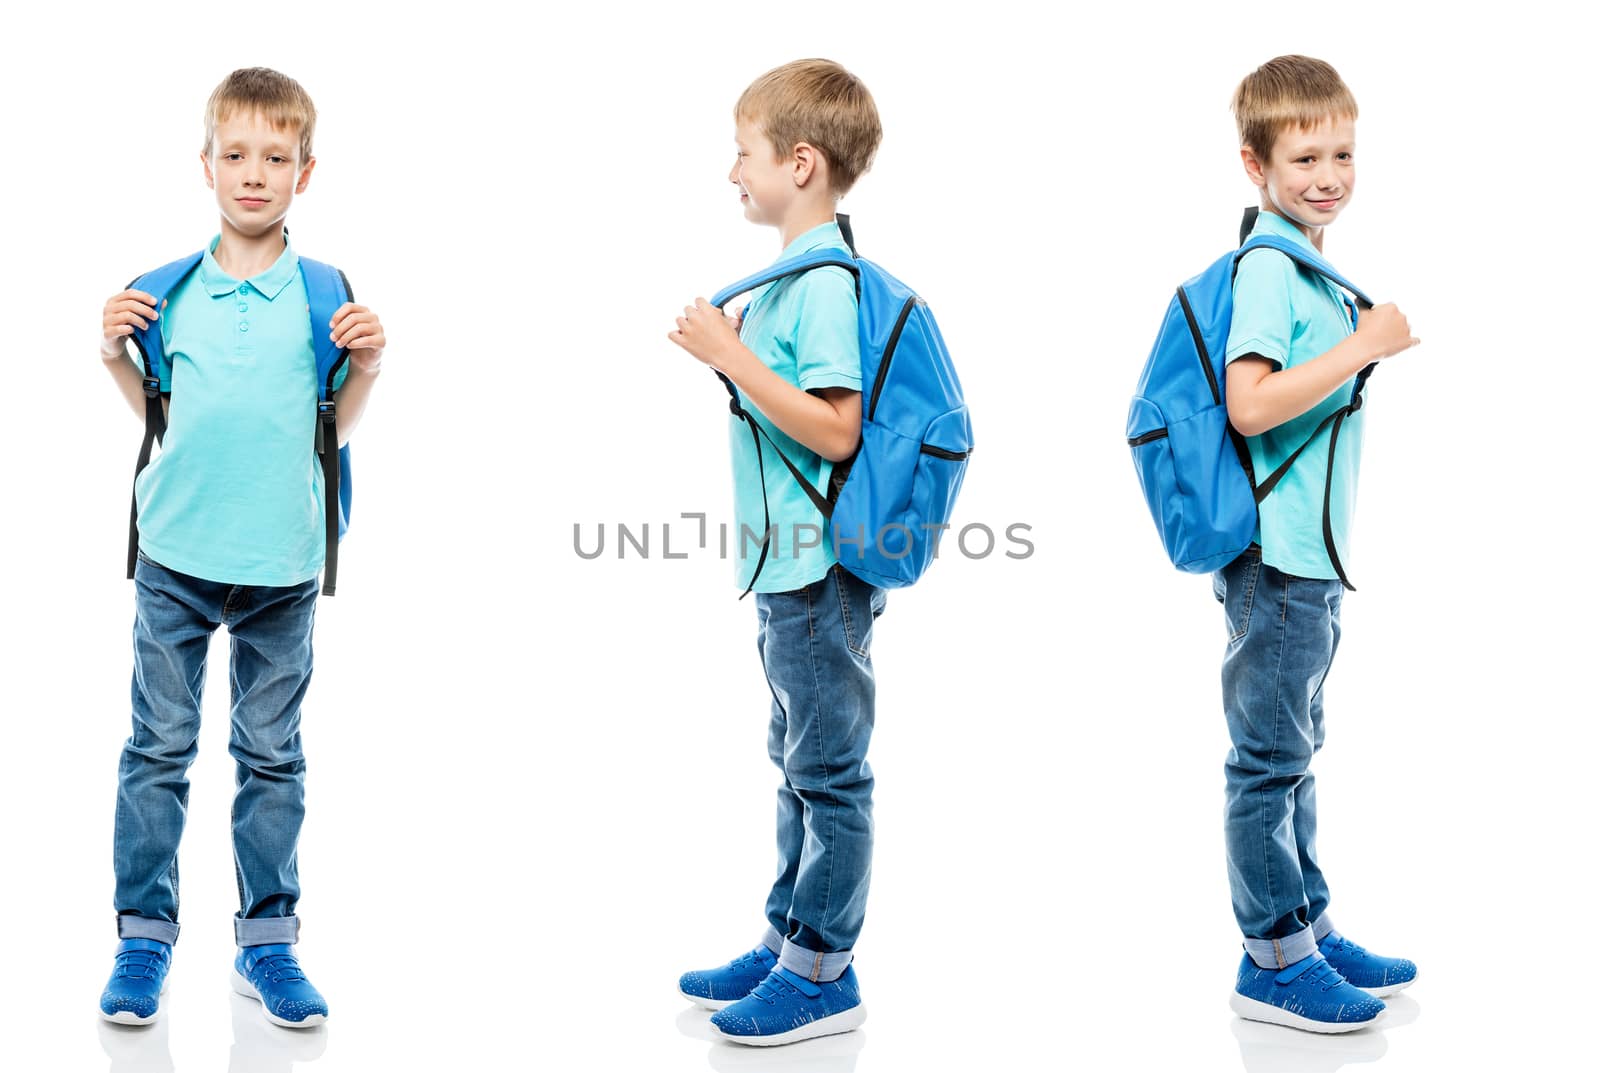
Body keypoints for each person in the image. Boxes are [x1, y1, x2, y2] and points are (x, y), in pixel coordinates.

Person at [96, 66, 386, 1029]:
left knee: (272, 757)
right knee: (157, 749)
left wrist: (370, 366)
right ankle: (144, 937)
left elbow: (328, 430)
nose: (253, 173)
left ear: (307, 171)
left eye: (275, 157)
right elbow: (160, 415)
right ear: (206, 164)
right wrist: (111, 355)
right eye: (235, 155)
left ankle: (268, 944)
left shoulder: (327, 294)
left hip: (283, 566)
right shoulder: (161, 291)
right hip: (175, 555)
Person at [667, 58, 885, 1047]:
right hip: (786, 564)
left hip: (820, 567)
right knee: (796, 757)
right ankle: (789, 932)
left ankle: (821, 972)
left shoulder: (824, 284)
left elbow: (835, 430)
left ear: (800, 163)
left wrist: (730, 355)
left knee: (828, 768)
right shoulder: (792, 278)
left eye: (743, 154)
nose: (731, 173)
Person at [1215, 54, 1420, 1033]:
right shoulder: (1268, 265)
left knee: (1295, 746)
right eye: (1304, 156)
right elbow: (1249, 405)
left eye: (1341, 151)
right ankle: (1273, 961)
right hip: (1276, 553)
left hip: (1308, 551)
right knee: (1266, 757)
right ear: (1255, 164)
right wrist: (1362, 345)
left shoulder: (1307, 260)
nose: (1328, 173)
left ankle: (1306, 921)